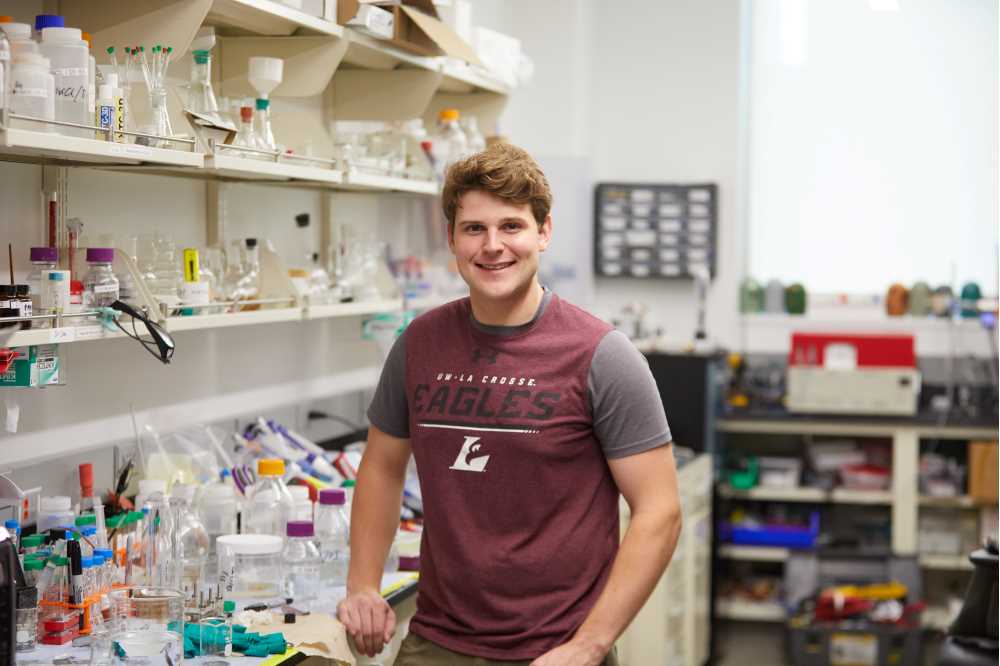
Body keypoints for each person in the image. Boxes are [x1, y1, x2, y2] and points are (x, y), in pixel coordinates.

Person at [337, 142, 682, 666]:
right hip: (436, 642)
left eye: (511, 226)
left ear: (543, 232)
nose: (492, 246)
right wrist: (363, 584)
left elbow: (660, 511)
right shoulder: (420, 343)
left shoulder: (601, 355)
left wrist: (589, 646)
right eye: (474, 229)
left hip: (557, 650)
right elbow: (383, 466)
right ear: (451, 238)